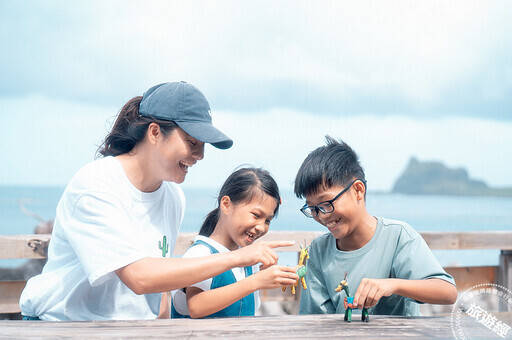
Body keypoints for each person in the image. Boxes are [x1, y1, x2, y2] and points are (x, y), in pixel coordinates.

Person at [19, 81, 293, 321]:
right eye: (191, 142)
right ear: (154, 133)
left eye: (203, 146)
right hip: (66, 326)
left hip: (132, 328)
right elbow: (139, 277)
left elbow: (160, 286)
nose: (199, 155)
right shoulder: (96, 185)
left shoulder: (173, 196)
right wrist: (238, 258)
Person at [295, 136, 457, 316]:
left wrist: (393, 284)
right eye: (313, 209)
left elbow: (447, 292)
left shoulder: (398, 236)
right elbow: (315, 320)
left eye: (326, 203)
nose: (322, 216)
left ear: (358, 190)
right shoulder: (318, 251)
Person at [171, 167, 299, 318]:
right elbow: (196, 306)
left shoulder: (248, 263)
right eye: (256, 215)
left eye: (267, 220)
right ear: (226, 204)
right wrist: (257, 281)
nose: (261, 227)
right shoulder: (200, 253)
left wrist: (266, 278)